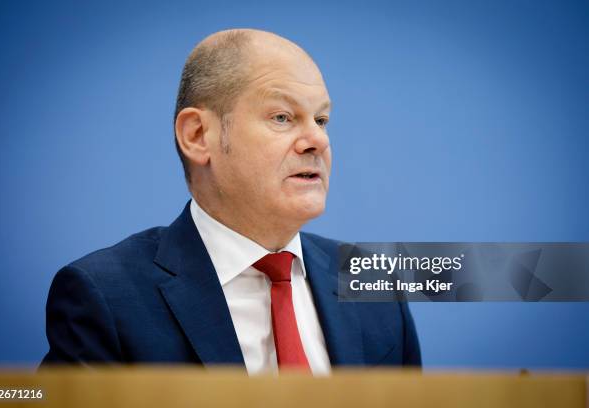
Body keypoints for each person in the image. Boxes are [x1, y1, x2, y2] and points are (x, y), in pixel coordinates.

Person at [41, 29, 421, 374]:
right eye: (283, 117)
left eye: (321, 120)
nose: (317, 141)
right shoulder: (105, 296)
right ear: (197, 135)